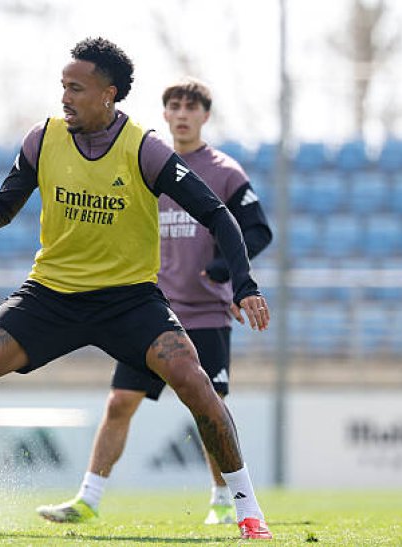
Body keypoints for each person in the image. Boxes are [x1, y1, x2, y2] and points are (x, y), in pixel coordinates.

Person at [0, 38, 273, 540]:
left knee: (195, 384)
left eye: (76, 88)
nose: (65, 97)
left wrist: (244, 284)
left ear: (109, 93)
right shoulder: (43, 139)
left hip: (128, 299)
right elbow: (2, 207)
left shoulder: (144, 149)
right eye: (63, 86)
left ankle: (247, 511)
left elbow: (218, 213)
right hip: (50, 295)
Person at [35, 77, 273, 527]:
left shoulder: (224, 171)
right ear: (165, 113)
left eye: (191, 107)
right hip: (148, 312)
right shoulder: (146, 160)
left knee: (210, 409)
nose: (182, 114)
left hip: (204, 313)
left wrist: (223, 270)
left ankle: (223, 500)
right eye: (174, 106)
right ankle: (88, 499)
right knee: (119, 402)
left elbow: (257, 230)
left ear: (205, 115)